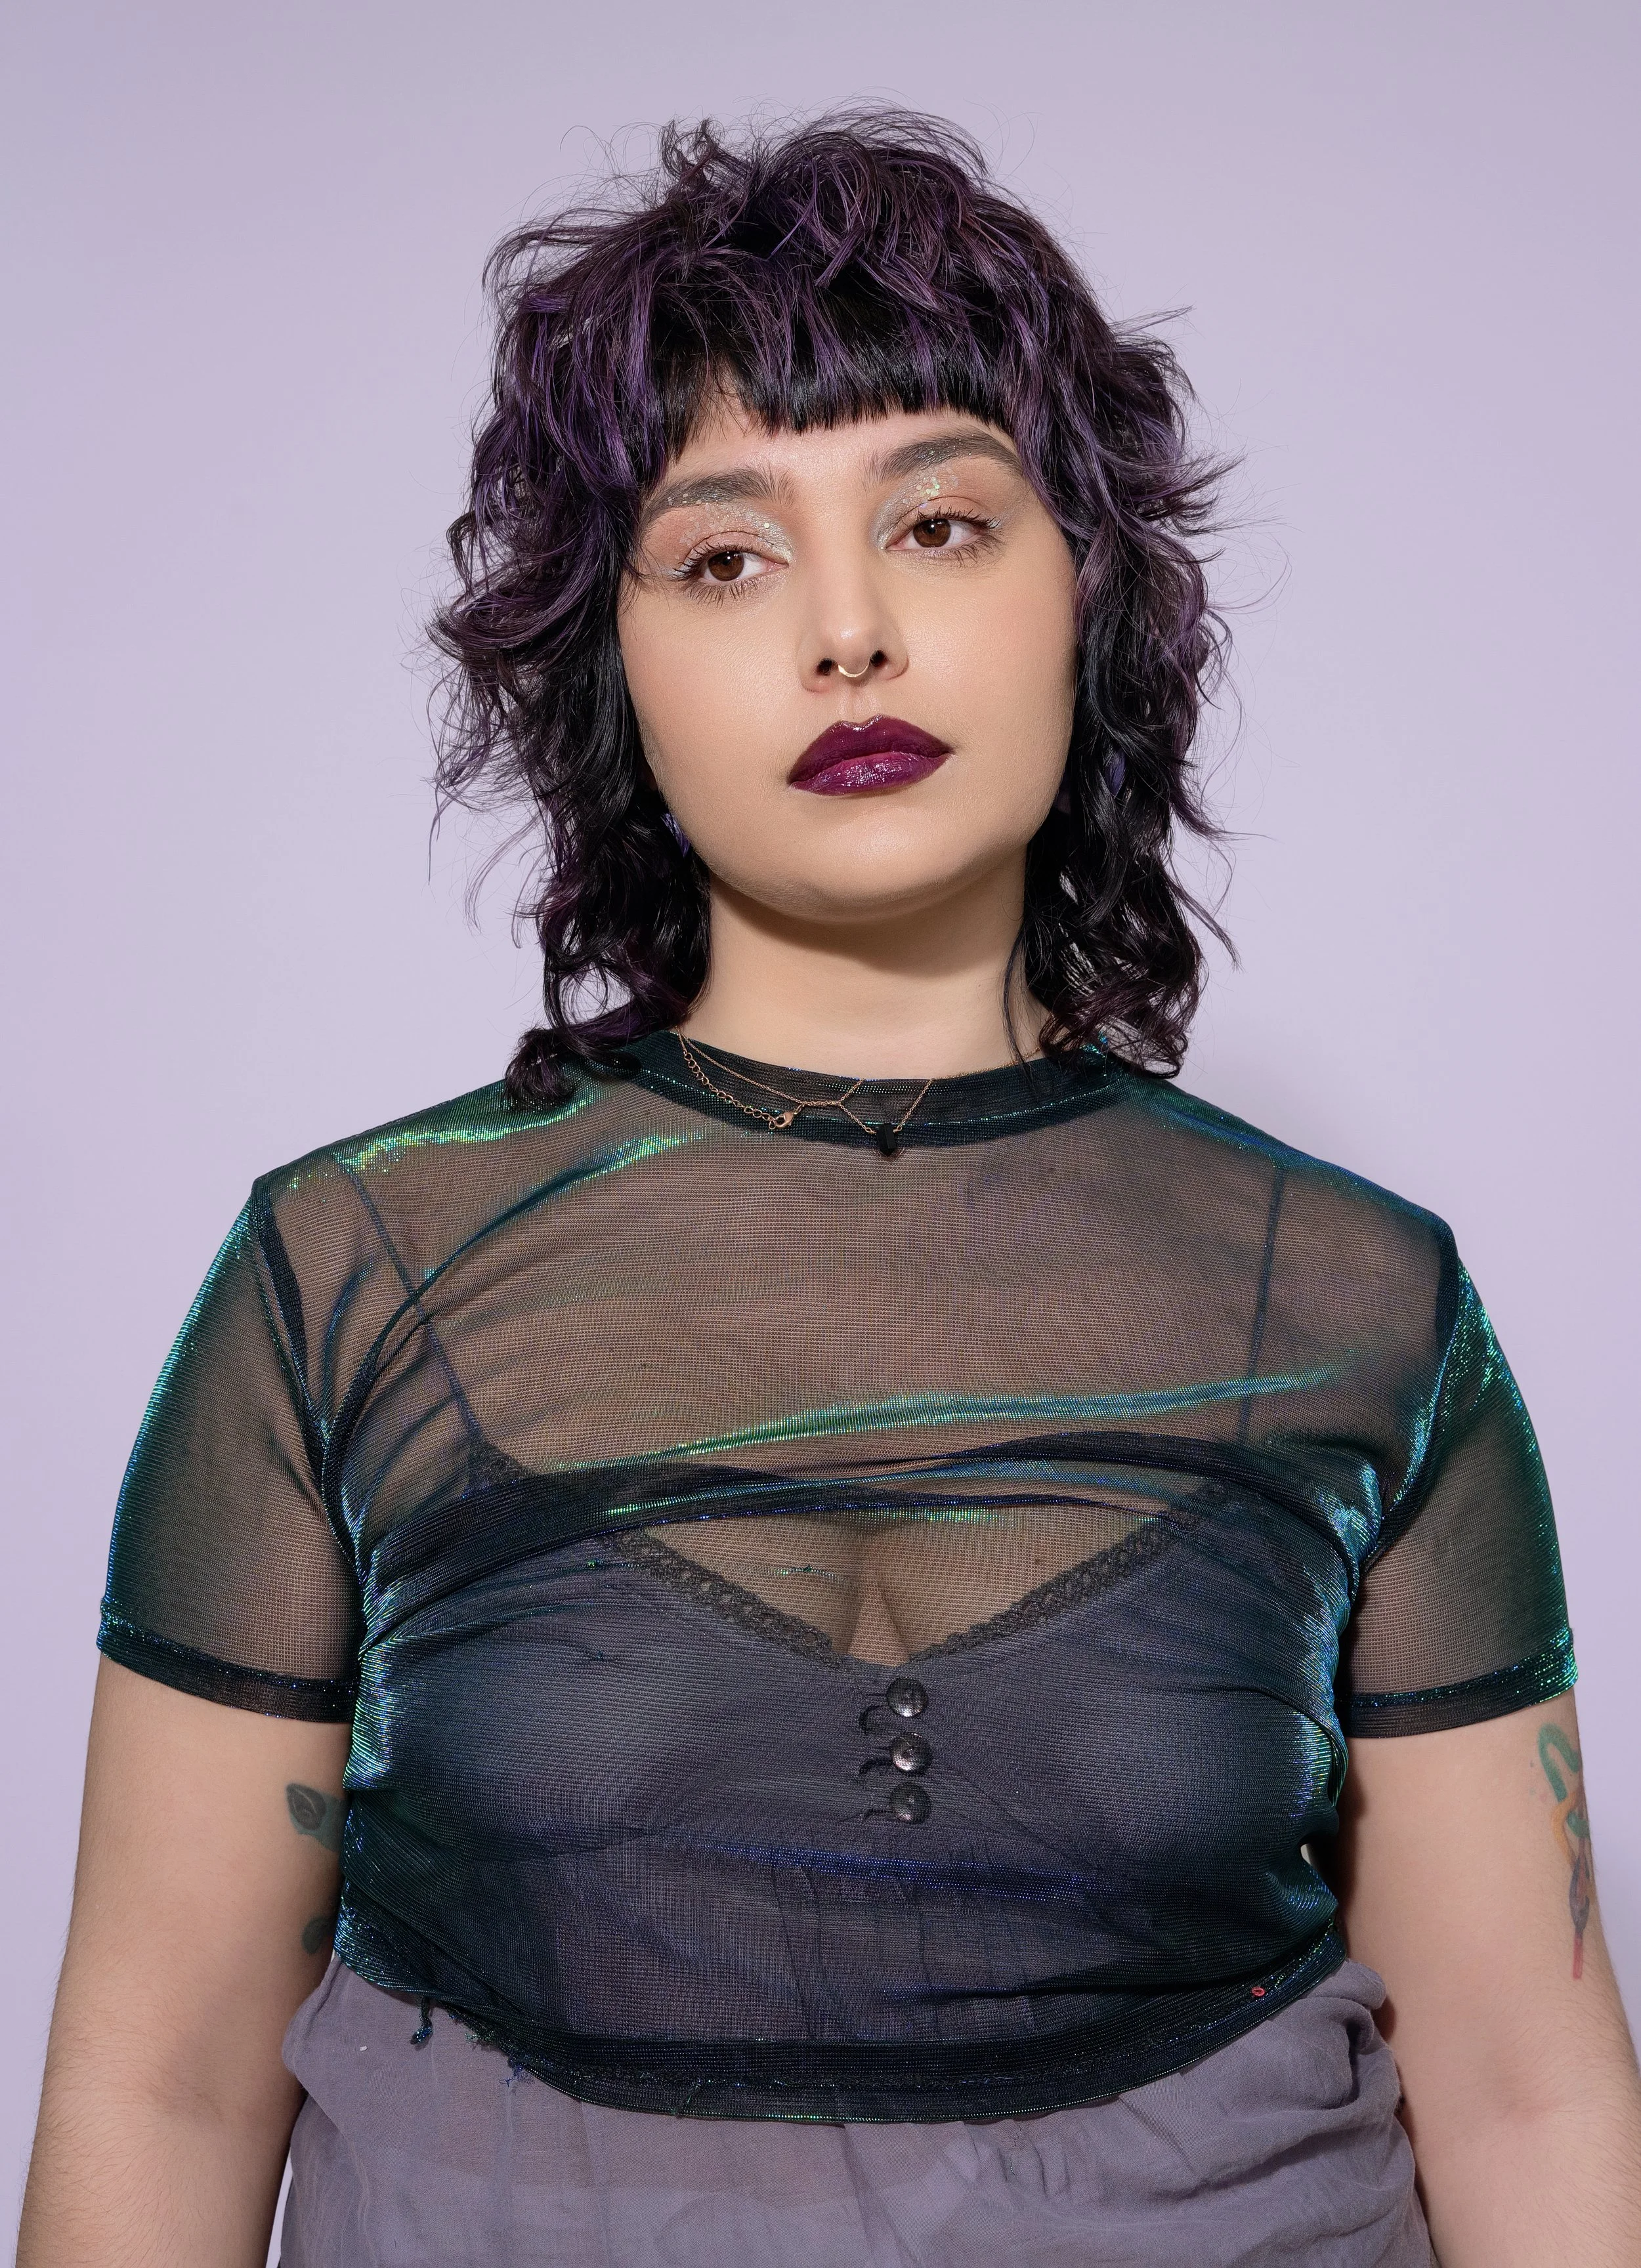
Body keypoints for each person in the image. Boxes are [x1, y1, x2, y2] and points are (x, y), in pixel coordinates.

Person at [18, 110, 1641, 2268]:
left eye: (945, 523)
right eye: (724, 556)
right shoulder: (349, 1275)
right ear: (610, 662)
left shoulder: (1350, 1298)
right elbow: (163, 2074)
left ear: (1093, 589)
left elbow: (1527, 2083)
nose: (848, 634)